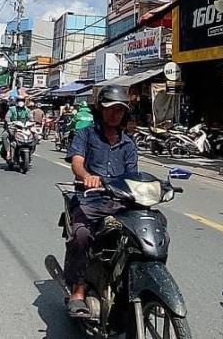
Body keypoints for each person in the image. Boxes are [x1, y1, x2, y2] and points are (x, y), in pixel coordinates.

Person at [64, 85, 137, 318]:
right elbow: (77, 162)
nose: (115, 114)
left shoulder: (129, 144)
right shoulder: (85, 134)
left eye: (119, 110)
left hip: (121, 204)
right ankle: (78, 290)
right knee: (82, 234)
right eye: (110, 109)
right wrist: (87, 177)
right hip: (90, 200)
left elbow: (133, 176)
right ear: (99, 108)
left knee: (153, 230)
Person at [2, 98, 33, 164]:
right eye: (19, 101)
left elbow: (31, 118)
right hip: (13, 127)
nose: (20, 102)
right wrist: (9, 122)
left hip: (24, 128)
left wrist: (32, 122)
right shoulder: (12, 109)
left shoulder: (27, 110)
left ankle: (31, 152)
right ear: (17, 102)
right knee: (4, 135)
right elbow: (7, 117)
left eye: (22, 101)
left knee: (35, 136)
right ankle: (8, 152)